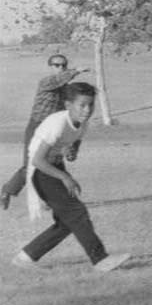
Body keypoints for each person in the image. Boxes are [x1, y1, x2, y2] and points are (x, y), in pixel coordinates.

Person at [11, 82, 130, 272]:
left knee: (68, 221)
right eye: (82, 105)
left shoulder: (83, 124)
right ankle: (100, 259)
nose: (87, 110)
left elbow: (72, 149)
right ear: (68, 105)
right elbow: (38, 160)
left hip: (55, 167)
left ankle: (25, 257)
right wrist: (66, 178)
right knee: (77, 214)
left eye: (91, 105)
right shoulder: (57, 123)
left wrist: (71, 153)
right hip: (41, 171)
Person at [1, 54, 88, 211]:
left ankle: (53, 200)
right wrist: (76, 70)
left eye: (63, 65)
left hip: (54, 129)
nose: (60, 68)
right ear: (50, 66)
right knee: (31, 165)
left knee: (53, 165)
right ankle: (7, 191)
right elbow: (58, 80)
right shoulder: (46, 82)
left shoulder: (67, 91)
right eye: (56, 65)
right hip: (36, 127)